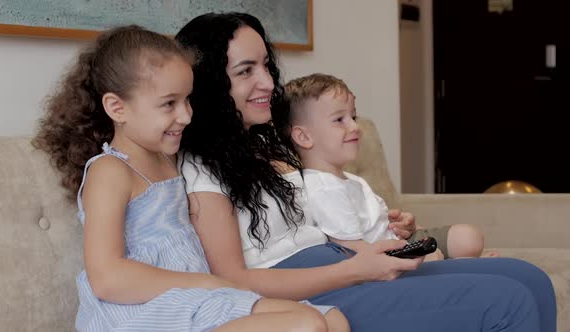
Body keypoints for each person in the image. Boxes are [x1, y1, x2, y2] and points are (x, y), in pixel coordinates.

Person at [176, 12, 556, 331]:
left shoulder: (262, 145)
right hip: (309, 291)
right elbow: (234, 281)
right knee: (507, 300)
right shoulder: (202, 168)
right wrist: (356, 269)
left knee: (528, 278)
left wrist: (378, 231)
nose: (268, 82)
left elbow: (321, 213)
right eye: (246, 71)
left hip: (342, 261)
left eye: (265, 65)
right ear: (209, 82)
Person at [32, 25, 349, 332]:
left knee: (332, 319)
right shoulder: (109, 171)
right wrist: (204, 282)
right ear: (117, 107)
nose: (185, 115)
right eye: (169, 103)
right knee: (305, 325)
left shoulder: (169, 158)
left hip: (197, 301)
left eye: (188, 100)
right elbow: (106, 277)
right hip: (145, 312)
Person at [282, 73, 499, 260]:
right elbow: (354, 253)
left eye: (353, 116)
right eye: (340, 119)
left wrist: (405, 226)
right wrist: (415, 254)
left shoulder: (350, 179)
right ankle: (456, 265)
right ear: (304, 136)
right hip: (385, 256)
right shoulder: (323, 188)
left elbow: (379, 225)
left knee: (468, 236)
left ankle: (457, 261)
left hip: (396, 241)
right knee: (454, 247)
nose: (355, 126)